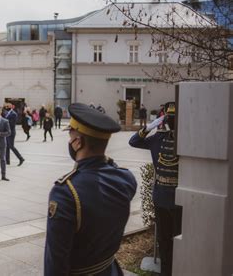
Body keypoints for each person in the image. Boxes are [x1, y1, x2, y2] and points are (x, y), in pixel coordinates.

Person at [45, 103, 137, 275]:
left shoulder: (65, 193)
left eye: (71, 135)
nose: (69, 140)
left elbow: (55, 261)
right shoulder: (126, 179)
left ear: (78, 142)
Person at [129, 102, 180, 276]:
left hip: (179, 199)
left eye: (173, 118)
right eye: (169, 118)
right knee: (164, 241)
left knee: (178, 239)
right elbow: (134, 141)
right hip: (161, 197)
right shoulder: (158, 138)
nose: (171, 121)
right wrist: (149, 127)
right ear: (164, 119)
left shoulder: (186, 139)